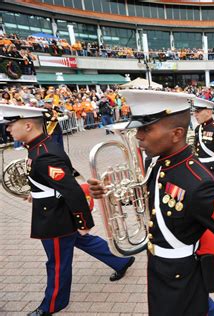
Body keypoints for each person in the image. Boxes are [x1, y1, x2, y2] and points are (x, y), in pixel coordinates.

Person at [88, 90, 214, 315]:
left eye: (146, 128)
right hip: (161, 266)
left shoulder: (199, 184)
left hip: (179, 274)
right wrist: (110, 192)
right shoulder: (158, 163)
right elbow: (152, 200)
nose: (138, 136)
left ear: (177, 133)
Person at [0, 104, 135, 316]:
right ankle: (121, 260)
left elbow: (72, 191)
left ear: (27, 125)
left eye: (11, 124)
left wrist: (84, 223)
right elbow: (49, 181)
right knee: (82, 242)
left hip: (55, 217)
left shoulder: (43, 154)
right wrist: (35, 193)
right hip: (55, 209)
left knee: (57, 262)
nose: (7, 129)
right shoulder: (39, 147)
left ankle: (54, 304)